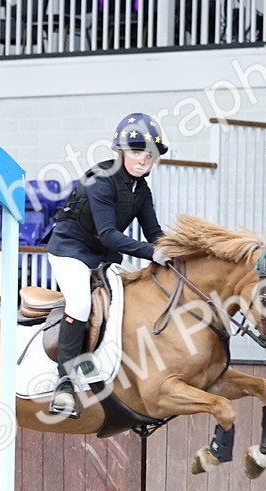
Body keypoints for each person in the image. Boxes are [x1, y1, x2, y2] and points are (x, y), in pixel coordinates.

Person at [43, 112, 170, 417]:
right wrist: (151, 254)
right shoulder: (100, 180)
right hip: (70, 251)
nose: (143, 159)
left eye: (149, 154)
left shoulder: (142, 191)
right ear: (121, 152)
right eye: (137, 152)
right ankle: (65, 383)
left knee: (132, 302)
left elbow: (154, 233)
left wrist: (174, 251)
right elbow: (109, 235)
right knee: (80, 305)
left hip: (101, 256)